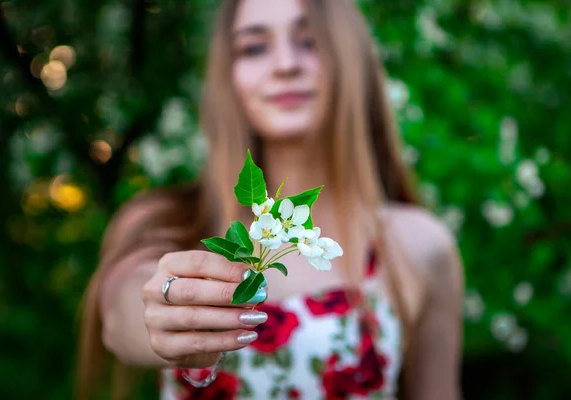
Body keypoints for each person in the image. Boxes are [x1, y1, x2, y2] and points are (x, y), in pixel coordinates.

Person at [77, 0, 464, 399]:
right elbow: (120, 314)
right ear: (228, 74)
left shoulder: (416, 245)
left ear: (351, 59)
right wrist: (161, 316)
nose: (285, 65)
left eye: (310, 42)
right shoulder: (170, 222)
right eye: (254, 48)